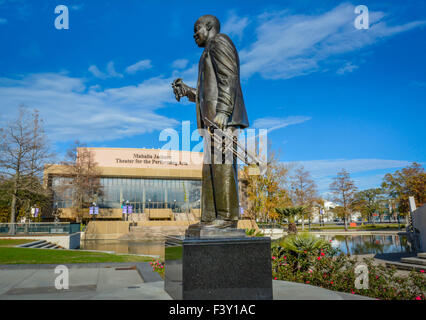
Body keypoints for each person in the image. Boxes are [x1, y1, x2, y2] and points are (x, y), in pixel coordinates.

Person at [172, 15, 249, 228]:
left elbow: (229, 77)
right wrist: (187, 91)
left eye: (197, 28)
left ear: (209, 27)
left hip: (221, 120)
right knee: (210, 170)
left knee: (222, 167)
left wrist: (224, 111)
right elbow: (208, 94)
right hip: (212, 122)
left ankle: (226, 218)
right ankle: (209, 217)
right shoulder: (207, 52)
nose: (194, 34)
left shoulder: (219, 41)